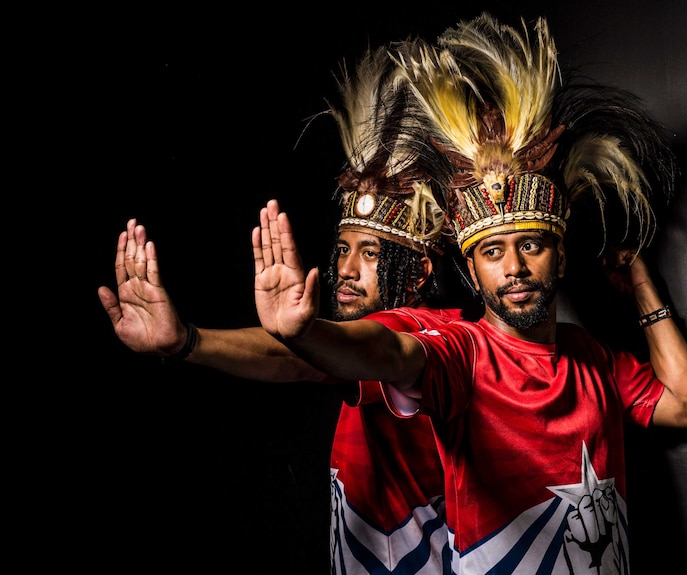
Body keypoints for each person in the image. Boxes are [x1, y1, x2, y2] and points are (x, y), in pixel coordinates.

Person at [251, 13, 687, 574]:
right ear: (472, 269)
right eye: (493, 252)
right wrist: (303, 332)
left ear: (560, 256)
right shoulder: (461, 352)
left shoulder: (591, 356)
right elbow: (387, 354)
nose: (514, 267)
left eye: (530, 247)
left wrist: (643, 287)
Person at [98, 45, 478, 573]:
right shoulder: (358, 342)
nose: (345, 269)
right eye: (343, 248)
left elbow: (308, 359)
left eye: (370, 254)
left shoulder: (433, 335)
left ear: (418, 273)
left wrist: (189, 340)